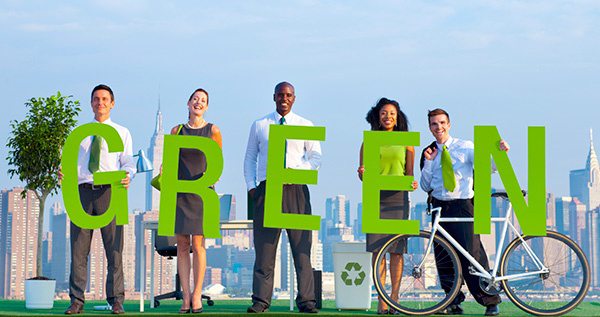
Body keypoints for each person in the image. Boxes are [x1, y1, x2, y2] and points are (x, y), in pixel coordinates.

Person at [420, 108, 507, 316]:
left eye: (442, 123)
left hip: (463, 205)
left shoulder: (465, 147)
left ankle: (490, 300)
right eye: (434, 124)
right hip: (439, 206)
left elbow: (487, 167)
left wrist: (501, 153)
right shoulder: (429, 152)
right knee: (444, 257)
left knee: (473, 254)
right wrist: (430, 163)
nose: (438, 127)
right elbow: (425, 185)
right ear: (430, 128)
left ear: (449, 124)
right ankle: (452, 301)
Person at [244, 82, 321, 314]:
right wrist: (251, 187)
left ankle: (307, 301)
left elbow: (316, 157)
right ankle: (261, 301)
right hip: (268, 191)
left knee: (302, 249)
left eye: (288, 95)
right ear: (274, 97)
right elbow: (250, 158)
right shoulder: (260, 125)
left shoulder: (305, 125)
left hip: (297, 190)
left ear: (294, 98)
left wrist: (296, 172)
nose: (284, 98)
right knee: (265, 250)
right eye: (280, 95)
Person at [63, 84, 135, 315]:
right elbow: (70, 163)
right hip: (82, 193)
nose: (100, 102)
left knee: (114, 249)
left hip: (111, 192)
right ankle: (76, 301)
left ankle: (116, 300)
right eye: (96, 99)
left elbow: (128, 163)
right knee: (78, 249)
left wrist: (128, 176)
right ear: (91, 103)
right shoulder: (80, 134)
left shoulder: (122, 132)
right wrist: (62, 172)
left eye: (105, 99)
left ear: (112, 103)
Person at [357, 98, 418, 315]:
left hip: (398, 200)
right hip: (375, 199)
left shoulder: (407, 141)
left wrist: (412, 183)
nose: (388, 117)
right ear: (377, 116)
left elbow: (410, 175)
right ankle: (382, 300)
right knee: (377, 252)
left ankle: (395, 297)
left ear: (398, 116)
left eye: (392, 113)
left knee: (396, 252)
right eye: (384, 113)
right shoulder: (369, 141)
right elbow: (363, 174)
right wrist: (362, 173)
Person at [171, 88, 222, 314]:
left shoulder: (213, 131)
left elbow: (217, 166)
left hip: (202, 194)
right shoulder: (177, 131)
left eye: (203, 100)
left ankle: (197, 295)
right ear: (188, 103)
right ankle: (185, 297)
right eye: (195, 99)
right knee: (182, 245)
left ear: (207, 106)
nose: (198, 103)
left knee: (198, 245)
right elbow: (170, 162)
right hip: (180, 193)